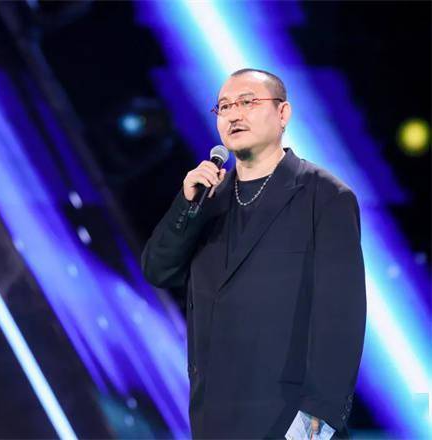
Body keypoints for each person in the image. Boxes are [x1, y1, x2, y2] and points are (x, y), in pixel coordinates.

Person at [142, 69, 366, 439]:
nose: (234, 114)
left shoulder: (324, 196)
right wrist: (186, 203)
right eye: (225, 106)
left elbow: (342, 314)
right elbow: (158, 269)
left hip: (289, 417)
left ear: (283, 113)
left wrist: (317, 417)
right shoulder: (208, 200)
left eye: (247, 102)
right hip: (214, 415)